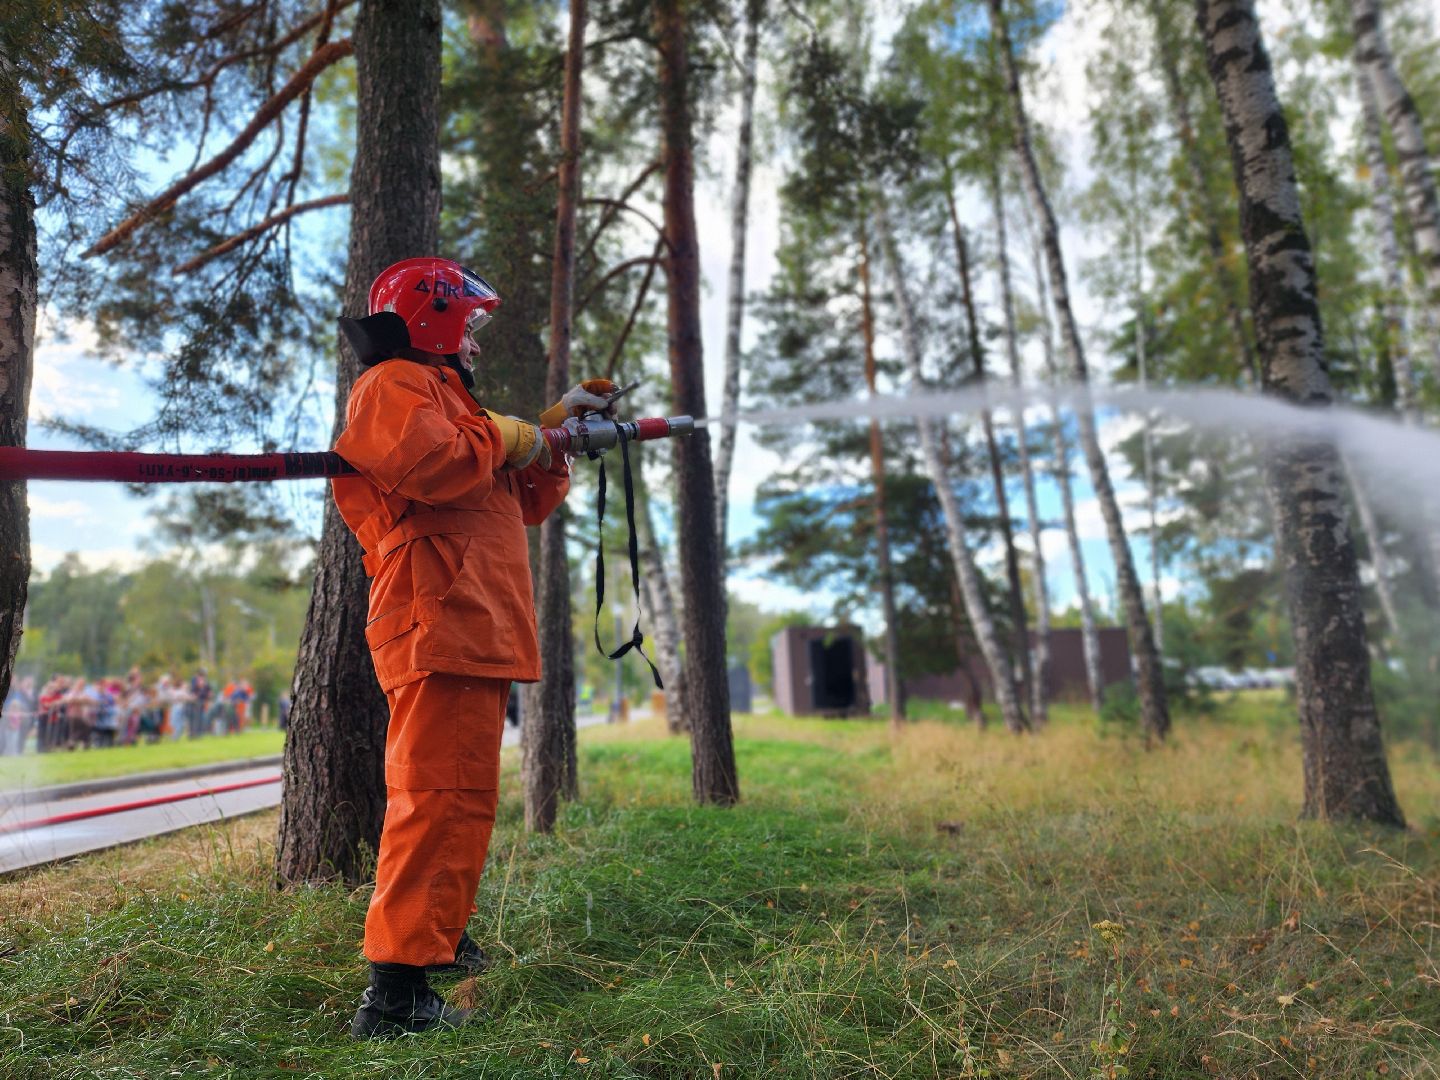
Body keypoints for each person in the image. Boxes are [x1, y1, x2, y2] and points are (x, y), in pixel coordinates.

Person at [332, 257, 617, 1039]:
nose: (478, 342)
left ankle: (438, 941)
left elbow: (519, 497)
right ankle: (393, 997)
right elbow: (439, 464)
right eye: (473, 323)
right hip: (440, 621)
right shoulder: (392, 385)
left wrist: (554, 430)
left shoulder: (452, 401)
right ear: (438, 316)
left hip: (474, 624)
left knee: (462, 802)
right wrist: (510, 433)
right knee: (435, 800)